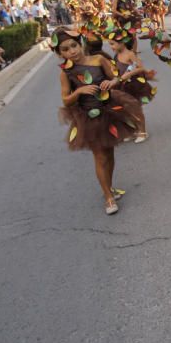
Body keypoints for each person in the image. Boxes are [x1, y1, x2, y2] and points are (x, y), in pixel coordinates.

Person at [53, 27, 143, 214]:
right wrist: (78, 92)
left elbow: (116, 78)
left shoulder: (98, 60)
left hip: (109, 111)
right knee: (100, 156)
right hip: (88, 117)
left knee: (109, 154)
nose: (72, 51)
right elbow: (65, 99)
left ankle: (108, 188)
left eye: (74, 45)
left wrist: (111, 83)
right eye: (65, 49)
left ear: (80, 43)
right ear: (59, 53)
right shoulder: (65, 73)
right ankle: (109, 198)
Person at [108, 35, 157, 143]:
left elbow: (140, 67)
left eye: (112, 44)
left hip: (133, 85)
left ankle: (143, 132)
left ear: (122, 43)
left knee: (136, 109)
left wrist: (129, 74)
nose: (111, 47)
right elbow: (117, 70)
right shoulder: (117, 55)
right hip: (122, 86)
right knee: (126, 109)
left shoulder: (130, 54)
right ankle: (133, 130)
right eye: (110, 44)